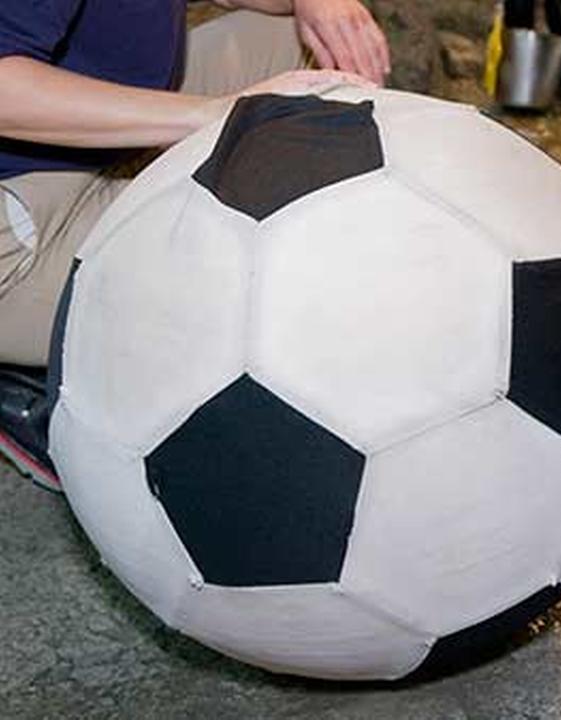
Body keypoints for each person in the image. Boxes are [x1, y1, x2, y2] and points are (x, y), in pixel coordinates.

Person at [0, 0, 391, 491]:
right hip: (17, 223)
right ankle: (35, 372)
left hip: (90, 153)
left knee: (314, 47)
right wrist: (212, 116)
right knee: (232, 278)